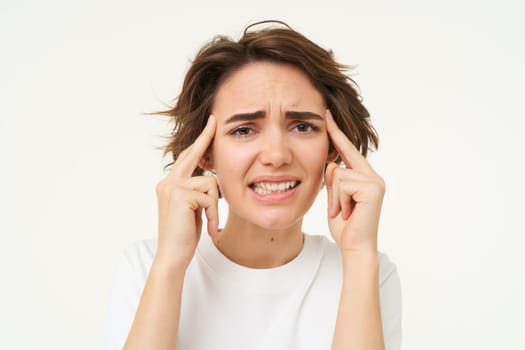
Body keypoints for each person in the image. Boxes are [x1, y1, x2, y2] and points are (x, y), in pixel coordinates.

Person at [105, 20, 402, 350]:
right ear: (204, 152)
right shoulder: (146, 266)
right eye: (244, 130)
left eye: (302, 126)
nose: (276, 155)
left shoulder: (369, 272)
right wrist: (171, 264)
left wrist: (359, 255)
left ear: (332, 146)